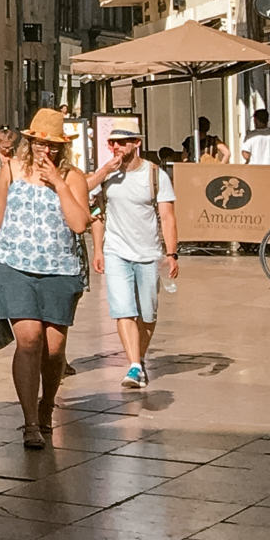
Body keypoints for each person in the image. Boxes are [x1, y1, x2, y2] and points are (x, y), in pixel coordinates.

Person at [0, 107, 90, 449]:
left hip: (60, 269)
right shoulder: (12, 169)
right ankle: (30, 421)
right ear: (29, 142)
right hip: (14, 265)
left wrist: (58, 183)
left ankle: (48, 403)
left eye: (55, 145)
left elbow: (79, 223)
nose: (48, 151)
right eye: (42, 144)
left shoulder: (73, 177)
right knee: (29, 339)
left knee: (54, 350)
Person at [88, 120, 178, 390]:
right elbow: (88, 201)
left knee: (147, 314)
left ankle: (137, 358)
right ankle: (134, 365)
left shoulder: (155, 175)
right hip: (116, 251)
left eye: (122, 142)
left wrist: (172, 253)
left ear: (136, 143)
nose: (116, 146)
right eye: (112, 142)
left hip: (148, 253)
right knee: (123, 310)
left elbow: (167, 216)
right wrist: (98, 249)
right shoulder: (107, 174)